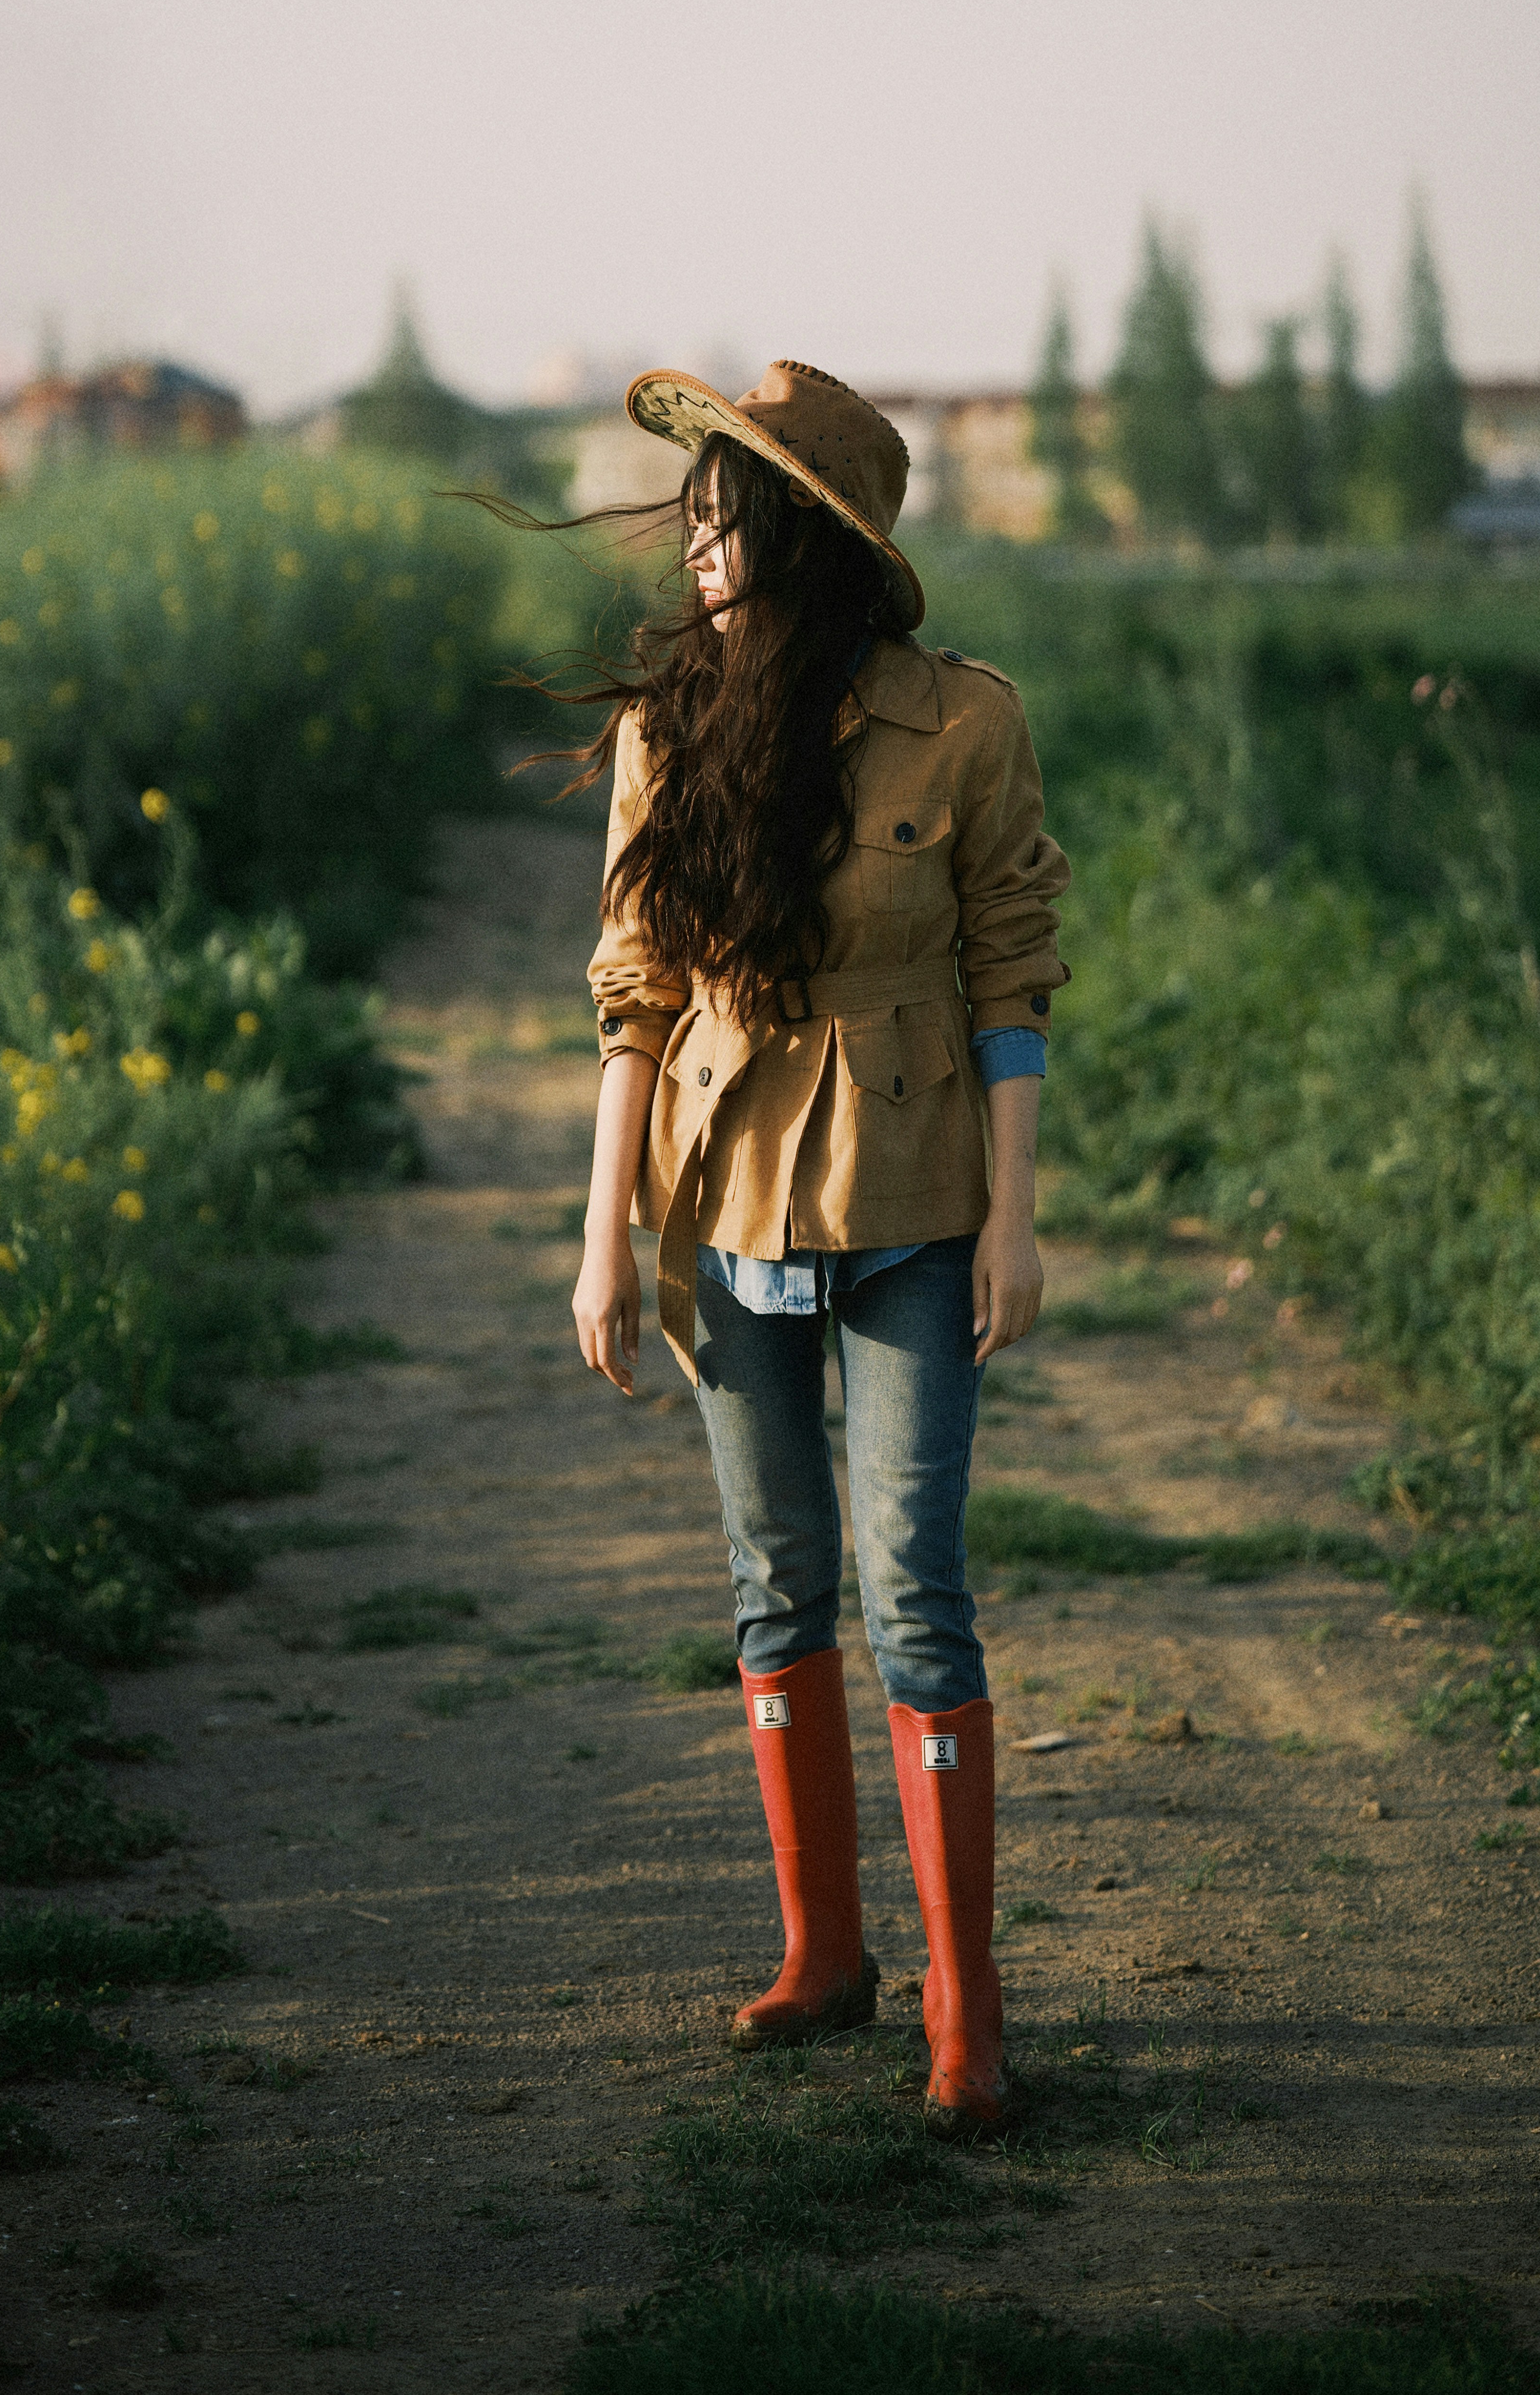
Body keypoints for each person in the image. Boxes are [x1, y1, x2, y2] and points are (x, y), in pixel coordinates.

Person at [567, 358, 1069, 2133]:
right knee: (777, 1584)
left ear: (814, 539)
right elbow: (634, 996)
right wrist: (605, 1234)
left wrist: (1017, 1219)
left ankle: (966, 2008)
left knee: (915, 1592)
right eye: (697, 503)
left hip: (925, 1200)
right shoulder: (667, 730)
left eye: (733, 507)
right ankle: (825, 1958)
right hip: (721, 1209)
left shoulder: (967, 722)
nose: (700, 533)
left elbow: (1010, 971)